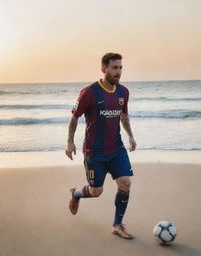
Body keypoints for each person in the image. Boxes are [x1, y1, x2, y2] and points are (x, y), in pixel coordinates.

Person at [65, 52, 137, 239]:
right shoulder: (89, 92)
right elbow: (75, 116)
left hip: (116, 148)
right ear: (103, 69)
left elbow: (123, 115)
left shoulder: (124, 92)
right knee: (96, 191)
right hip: (94, 152)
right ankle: (76, 194)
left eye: (120, 68)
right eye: (114, 68)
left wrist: (130, 136)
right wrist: (70, 141)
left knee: (125, 182)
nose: (118, 72)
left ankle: (117, 225)